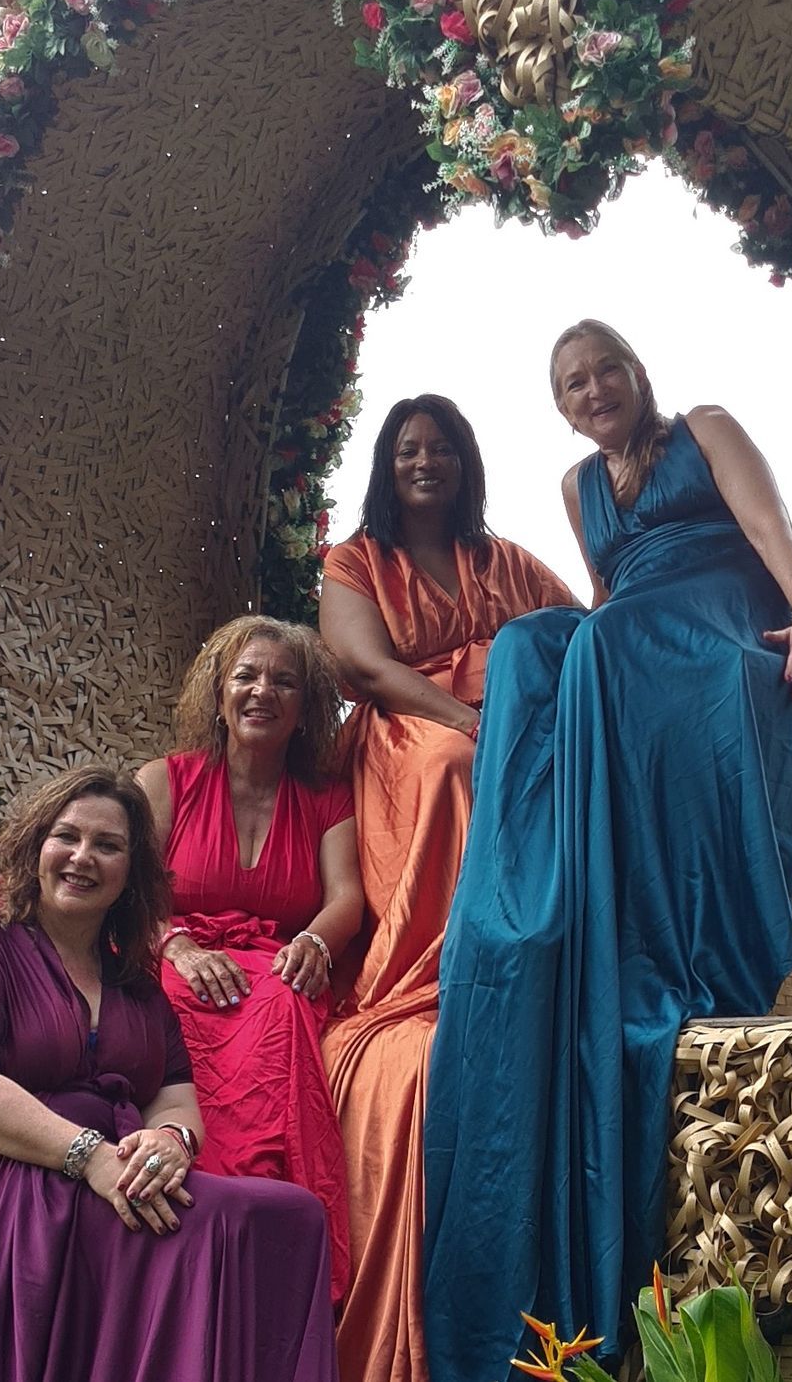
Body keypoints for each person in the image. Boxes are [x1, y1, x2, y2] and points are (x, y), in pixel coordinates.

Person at [422, 321, 792, 1382]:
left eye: (606, 368)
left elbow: (766, 520)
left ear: (634, 373)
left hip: (722, 612)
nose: (594, 388)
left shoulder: (704, 427)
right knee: (530, 641)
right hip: (633, 627)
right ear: (561, 405)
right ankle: (527, 885)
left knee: (598, 643)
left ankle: (633, 904)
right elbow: (603, 595)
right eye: (574, 382)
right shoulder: (578, 484)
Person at [0, 763, 338, 1382]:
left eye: (108, 845)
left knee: (294, 1217)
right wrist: (88, 1156)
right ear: (36, 845)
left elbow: (175, 1103)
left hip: (106, 1175)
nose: (82, 857)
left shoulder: (139, 989)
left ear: (131, 875)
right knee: (204, 1229)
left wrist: (169, 1143)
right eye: (66, 837)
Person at [320, 394, 576, 1382]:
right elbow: (363, 664)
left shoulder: (502, 559)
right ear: (387, 465)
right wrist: (466, 719)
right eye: (407, 448)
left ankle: (533, 926)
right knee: (448, 770)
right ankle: (429, 957)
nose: (424, 461)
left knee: (558, 775)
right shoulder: (357, 562)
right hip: (406, 736)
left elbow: (580, 627)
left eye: (441, 448)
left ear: (466, 461)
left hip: (502, 727)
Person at [135, 617, 362, 1307]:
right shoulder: (163, 781)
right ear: (219, 692)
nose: (263, 691)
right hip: (171, 952)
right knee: (174, 1002)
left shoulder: (326, 798)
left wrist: (315, 942)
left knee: (281, 1001)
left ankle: (271, 1217)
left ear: (306, 708)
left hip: (276, 965)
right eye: (247, 676)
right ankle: (186, 1205)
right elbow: (131, 890)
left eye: (284, 682)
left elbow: (346, 895)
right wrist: (178, 946)